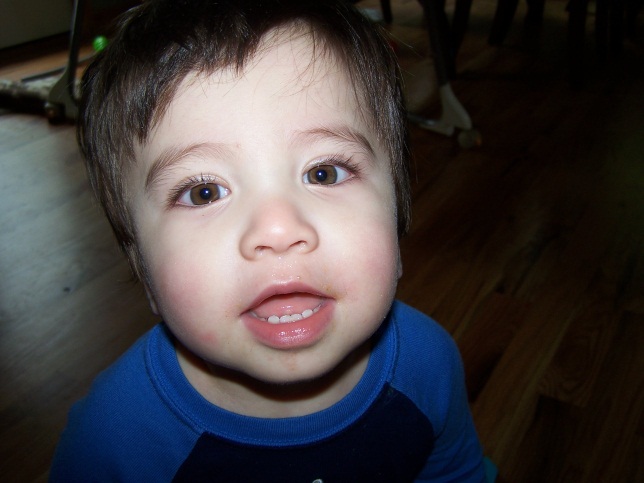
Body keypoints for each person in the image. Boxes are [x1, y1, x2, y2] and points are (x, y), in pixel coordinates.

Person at [49, 0, 486, 481]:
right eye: (204, 192)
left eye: (323, 172)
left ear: (398, 210)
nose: (277, 230)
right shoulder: (112, 437)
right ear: (143, 269)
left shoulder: (428, 365)